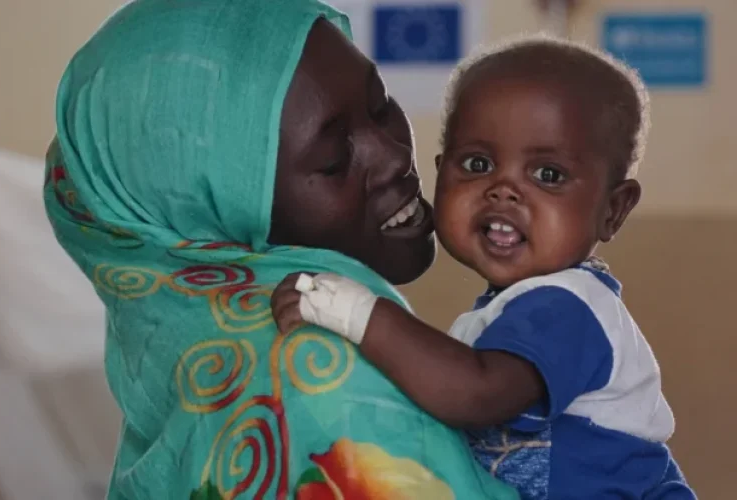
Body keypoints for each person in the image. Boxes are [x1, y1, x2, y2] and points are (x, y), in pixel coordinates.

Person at [43, 0, 518, 498]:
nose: (394, 155)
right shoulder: (323, 383)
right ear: (215, 215)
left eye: (380, 105)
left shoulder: (205, 367)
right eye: (333, 160)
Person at [272, 37, 696, 499]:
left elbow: (474, 394)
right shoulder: (503, 314)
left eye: (548, 175)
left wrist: (355, 312)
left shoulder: (571, 307)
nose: (503, 190)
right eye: (478, 164)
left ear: (613, 210)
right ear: (441, 173)